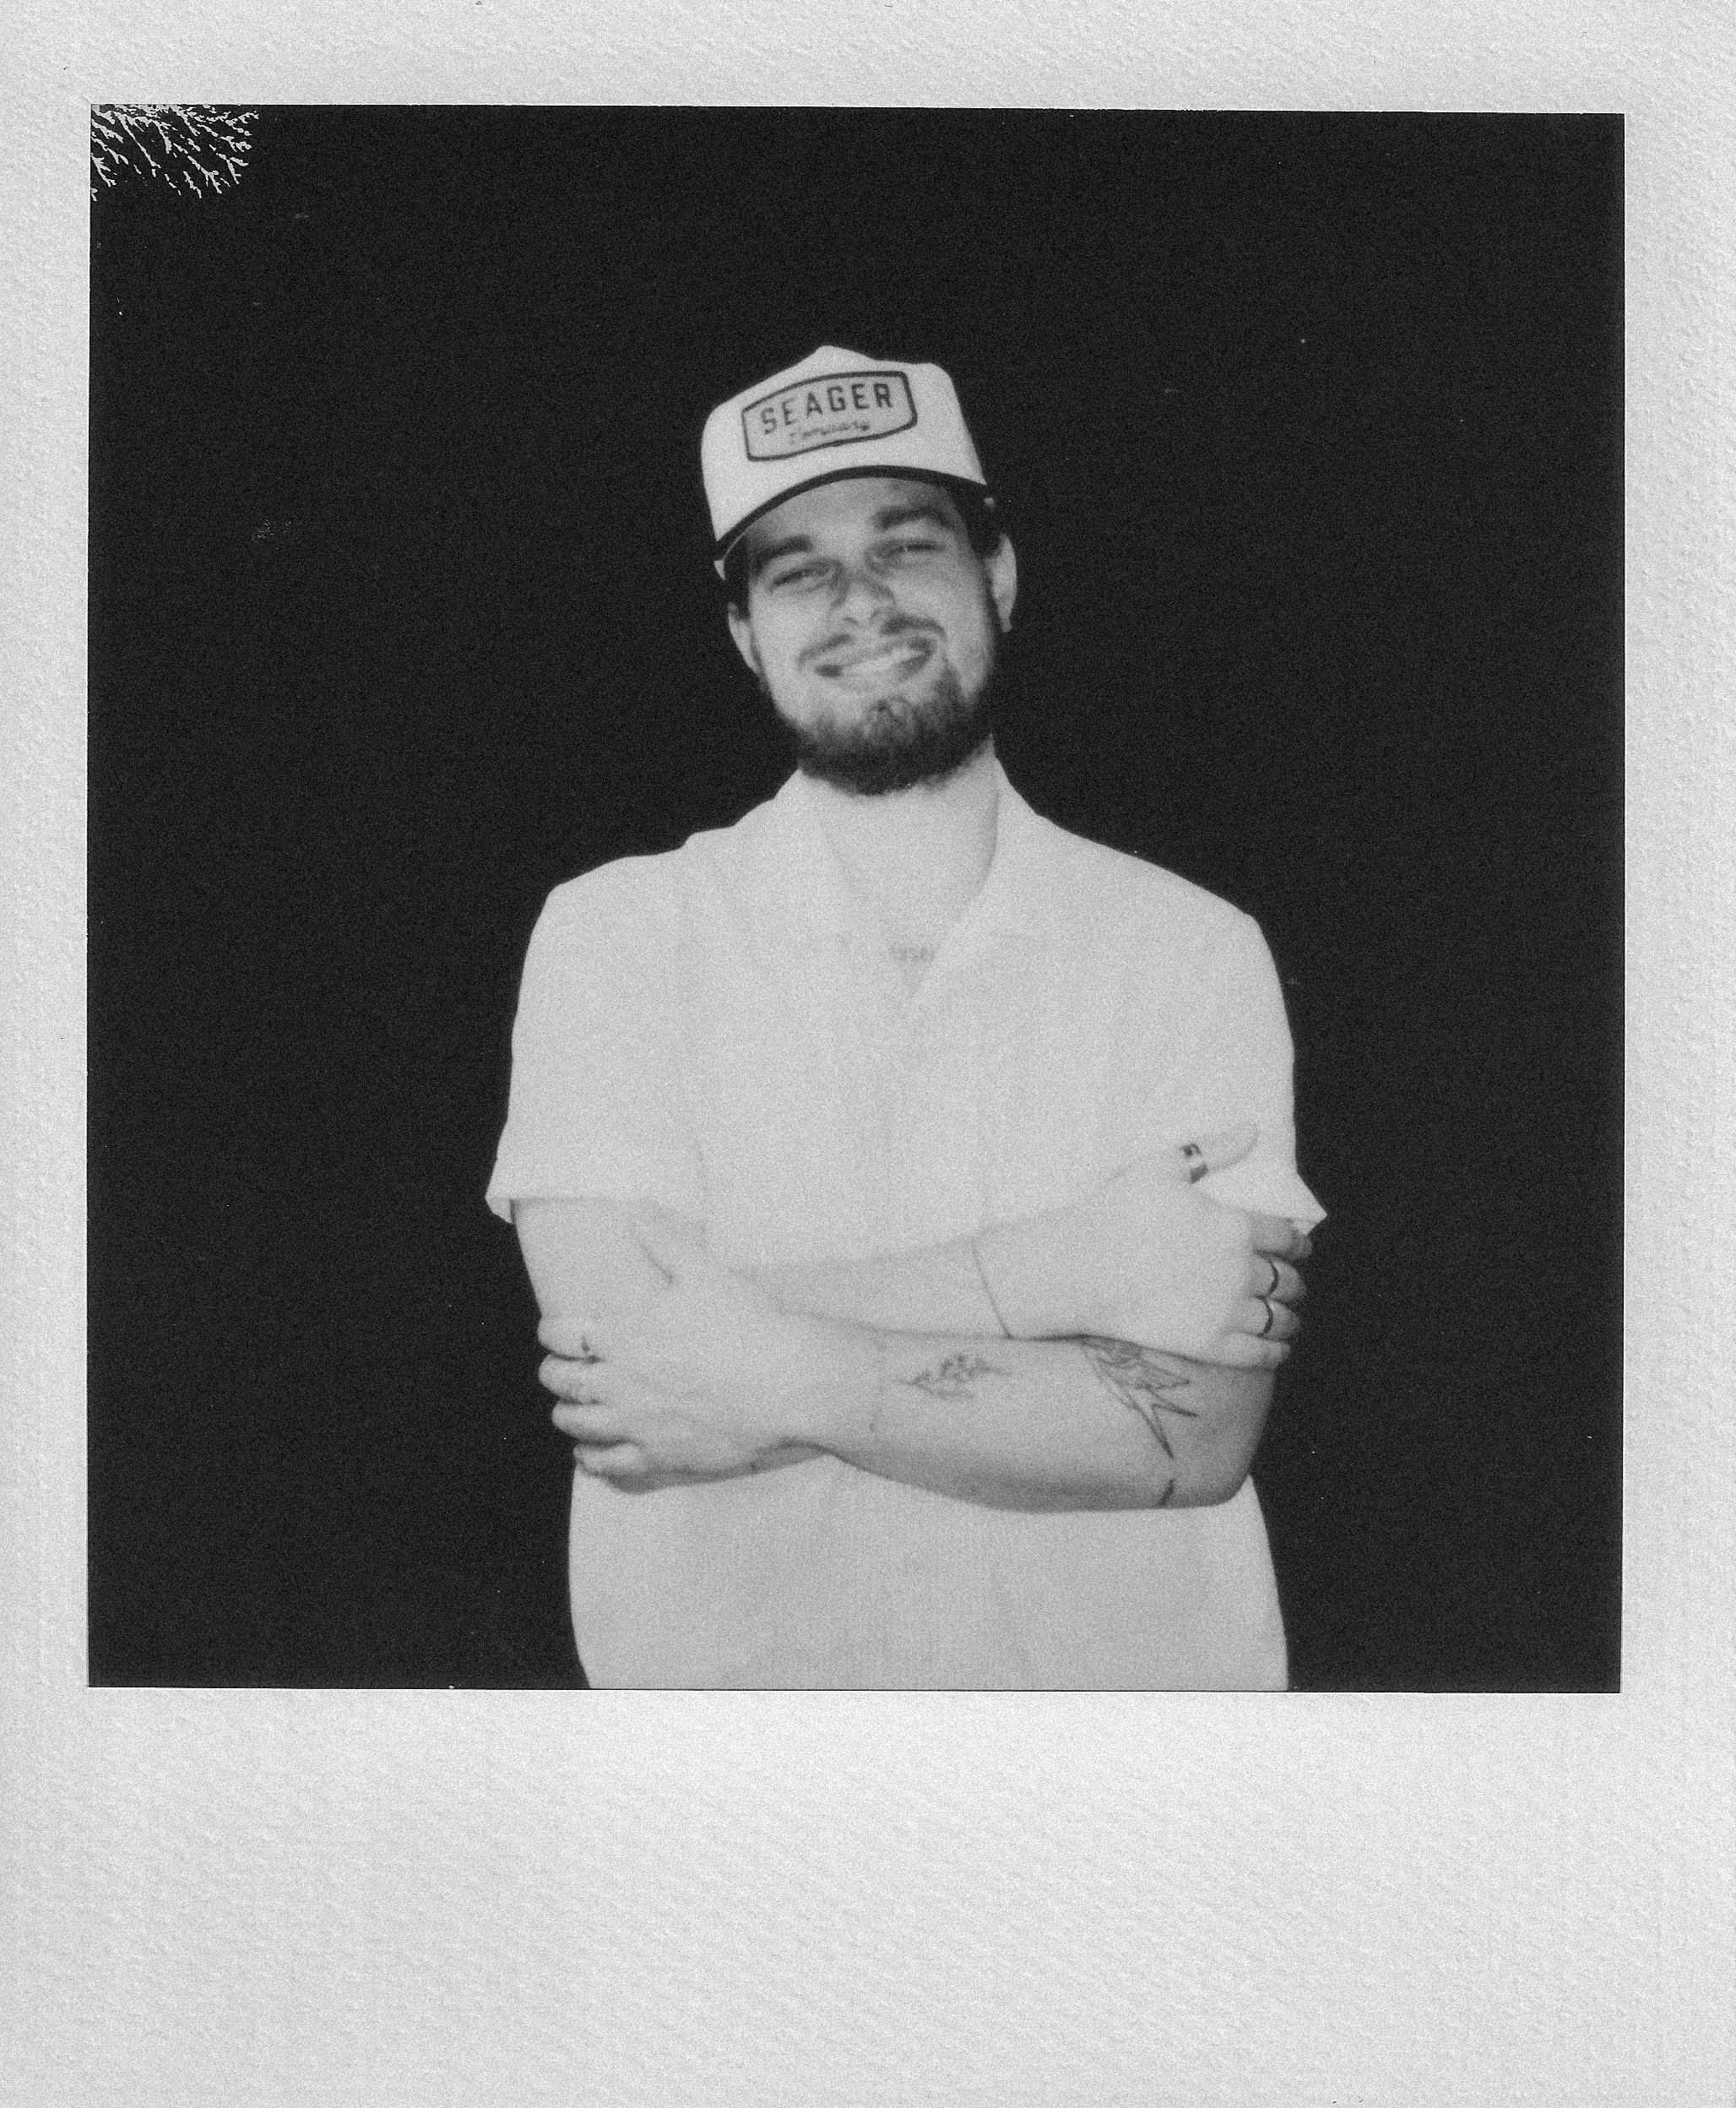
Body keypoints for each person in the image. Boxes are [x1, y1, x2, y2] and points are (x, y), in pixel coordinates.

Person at [487, 345, 1324, 1689]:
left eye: (907, 544)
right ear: (744, 630)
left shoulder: (1190, 947)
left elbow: (1192, 1437)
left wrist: (752, 1364)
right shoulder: (618, 933)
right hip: (745, 1769)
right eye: (797, 568)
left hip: (1127, 1760)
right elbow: (628, 1394)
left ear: (998, 574)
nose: (859, 601)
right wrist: (1060, 1277)